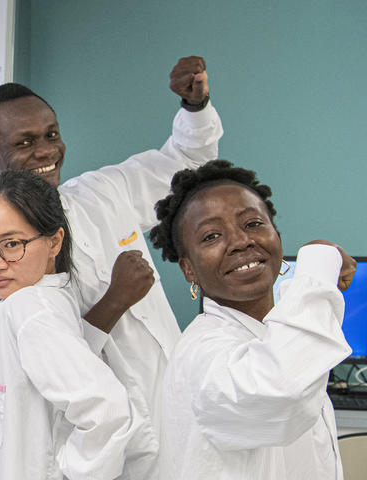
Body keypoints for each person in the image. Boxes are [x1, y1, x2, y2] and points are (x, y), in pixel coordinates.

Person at [0, 56, 222, 478]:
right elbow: (32, 354)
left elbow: (185, 163)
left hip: (172, 419)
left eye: (51, 134)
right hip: (98, 451)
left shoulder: (103, 192)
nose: (45, 150)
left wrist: (195, 107)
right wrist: (115, 300)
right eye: (24, 142)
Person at [148, 160, 356, 479]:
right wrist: (315, 271)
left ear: (277, 235)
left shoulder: (271, 334)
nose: (241, 241)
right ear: (188, 268)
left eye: (253, 224)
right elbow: (283, 391)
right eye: (211, 236)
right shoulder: (203, 352)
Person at [0, 170, 138, 479]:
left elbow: (107, 413)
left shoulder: (31, 310)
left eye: (12, 244)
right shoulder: (30, 306)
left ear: (54, 242)